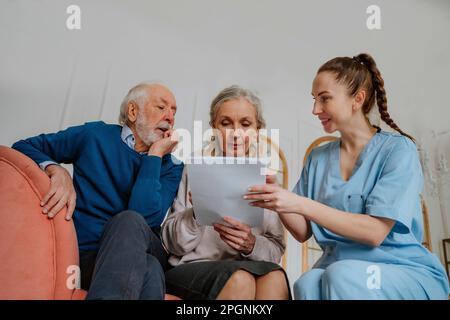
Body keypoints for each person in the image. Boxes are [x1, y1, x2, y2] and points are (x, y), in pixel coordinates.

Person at [244, 54, 450, 300]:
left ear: (358, 99)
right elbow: (302, 231)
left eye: (325, 99)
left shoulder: (399, 150)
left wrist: (298, 202)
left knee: (341, 275)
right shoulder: (318, 157)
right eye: (314, 100)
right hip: (337, 266)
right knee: (307, 283)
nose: (315, 110)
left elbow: (375, 232)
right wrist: (275, 194)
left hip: (400, 268)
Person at [12, 82, 184, 300]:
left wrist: (155, 157)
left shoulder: (171, 166)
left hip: (142, 245)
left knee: (129, 221)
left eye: (174, 111)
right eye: (161, 107)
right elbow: (24, 146)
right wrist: (55, 169)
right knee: (149, 270)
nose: (170, 116)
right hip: (90, 256)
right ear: (133, 112)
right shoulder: (94, 135)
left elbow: (144, 216)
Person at [162, 85, 290, 300]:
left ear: (258, 130)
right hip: (193, 268)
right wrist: (196, 214)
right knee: (240, 279)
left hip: (246, 267)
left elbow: (275, 251)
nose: (236, 133)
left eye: (246, 124)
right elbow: (173, 244)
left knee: (275, 277)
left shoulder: (266, 177)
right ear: (214, 128)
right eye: (226, 123)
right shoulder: (195, 165)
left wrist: (251, 244)